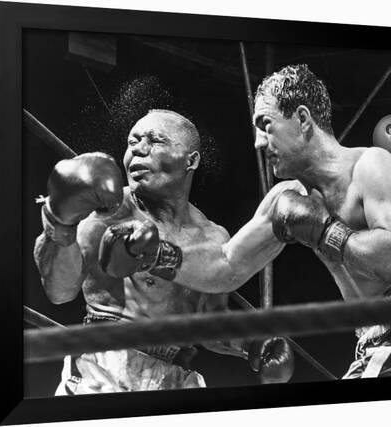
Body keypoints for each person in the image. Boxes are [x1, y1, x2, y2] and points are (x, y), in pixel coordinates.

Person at [170, 65, 391, 379]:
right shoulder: (285, 198)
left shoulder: (372, 166)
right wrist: (158, 254)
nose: (259, 142)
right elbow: (225, 266)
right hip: (374, 338)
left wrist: (326, 230)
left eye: (265, 125)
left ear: (302, 119)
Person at [33, 109, 294, 394]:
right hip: (104, 365)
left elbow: (208, 324)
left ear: (190, 160)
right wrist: (59, 223)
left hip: (175, 375)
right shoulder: (109, 212)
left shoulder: (212, 236)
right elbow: (59, 292)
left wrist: (250, 344)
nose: (138, 151)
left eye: (155, 141)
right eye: (133, 142)